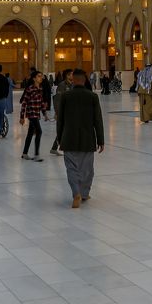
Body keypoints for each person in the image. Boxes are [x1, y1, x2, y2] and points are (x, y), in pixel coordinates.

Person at [56, 69, 105, 208]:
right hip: (87, 139)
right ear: (84, 80)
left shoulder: (66, 96)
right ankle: (84, 193)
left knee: (72, 168)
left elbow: (60, 120)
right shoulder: (92, 97)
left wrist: (60, 138)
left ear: (74, 80)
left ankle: (76, 192)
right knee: (87, 169)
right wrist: (100, 140)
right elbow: (98, 120)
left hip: (69, 138)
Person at [19, 72, 47, 161]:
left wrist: (44, 113)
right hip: (31, 113)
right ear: (34, 78)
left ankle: (24, 153)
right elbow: (24, 103)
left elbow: (41, 102)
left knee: (30, 133)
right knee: (39, 131)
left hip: (37, 113)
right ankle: (36, 155)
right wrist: (21, 117)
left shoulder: (40, 88)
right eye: (39, 76)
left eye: (41, 76)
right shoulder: (30, 89)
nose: (41, 78)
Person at [49, 75, 69, 156]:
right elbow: (57, 100)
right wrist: (57, 112)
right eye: (71, 74)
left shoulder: (71, 85)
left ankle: (55, 148)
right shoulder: (62, 85)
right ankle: (57, 147)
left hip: (68, 111)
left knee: (64, 129)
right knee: (63, 129)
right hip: (62, 112)